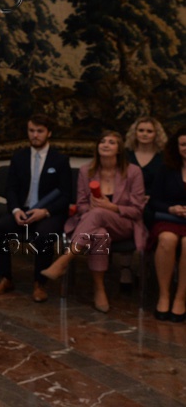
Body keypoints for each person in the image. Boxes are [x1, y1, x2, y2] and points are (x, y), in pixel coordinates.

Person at [40, 132, 147, 313]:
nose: (105, 144)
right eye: (102, 141)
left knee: (98, 213)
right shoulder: (86, 170)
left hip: (124, 225)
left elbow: (137, 210)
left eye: (111, 142)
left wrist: (111, 207)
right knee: (99, 234)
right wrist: (89, 208)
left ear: (119, 149)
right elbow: (80, 205)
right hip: (93, 226)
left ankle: (65, 259)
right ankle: (99, 288)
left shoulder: (133, 171)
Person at [0, 114, 71, 302]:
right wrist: (16, 210)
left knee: (44, 235)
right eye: (31, 131)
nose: (35, 135)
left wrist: (45, 212)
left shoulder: (60, 160)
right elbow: (11, 189)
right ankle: (5, 278)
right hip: (22, 210)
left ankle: (40, 283)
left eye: (39, 131)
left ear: (49, 133)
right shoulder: (19, 157)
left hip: (48, 213)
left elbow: (66, 195)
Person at [120, 116, 166, 289]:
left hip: (153, 202)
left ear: (156, 134)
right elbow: (117, 180)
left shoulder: (164, 157)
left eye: (149, 131)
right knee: (127, 218)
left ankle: (144, 264)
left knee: (148, 215)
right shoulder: (125, 155)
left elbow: (167, 184)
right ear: (135, 133)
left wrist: (150, 196)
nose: (145, 134)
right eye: (141, 130)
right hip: (127, 200)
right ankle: (125, 268)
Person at [146, 127, 186, 322]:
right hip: (168, 219)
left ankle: (180, 298)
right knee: (167, 240)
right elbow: (153, 201)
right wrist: (171, 209)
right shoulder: (166, 168)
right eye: (183, 144)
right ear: (176, 146)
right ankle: (164, 295)